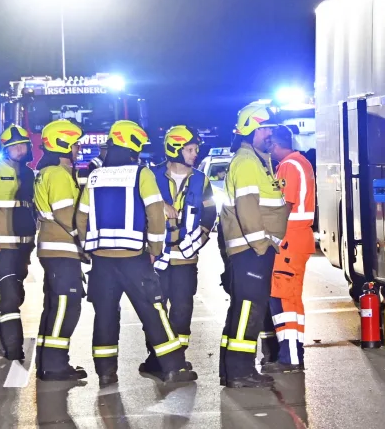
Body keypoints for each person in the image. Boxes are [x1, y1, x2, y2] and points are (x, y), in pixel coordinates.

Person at [76, 120, 197, 387]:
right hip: (134, 259)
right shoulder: (141, 174)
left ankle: (106, 373)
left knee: (105, 316)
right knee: (154, 312)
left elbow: (81, 218)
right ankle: (173, 368)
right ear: (133, 146)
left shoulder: (95, 177)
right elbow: (155, 213)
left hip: (102, 263)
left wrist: (89, 248)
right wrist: (155, 249)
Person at [218, 101, 290, 388]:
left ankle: (233, 370)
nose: (270, 133)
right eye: (265, 129)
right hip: (251, 251)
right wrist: (261, 244)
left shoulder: (256, 160)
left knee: (241, 309)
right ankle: (240, 372)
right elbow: (248, 206)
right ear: (251, 131)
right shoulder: (247, 162)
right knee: (249, 310)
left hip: (251, 250)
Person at [144, 125, 216, 372]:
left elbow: (209, 214)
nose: (195, 154)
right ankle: (155, 358)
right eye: (190, 149)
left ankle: (178, 358)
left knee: (183, 308)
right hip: (157, 258)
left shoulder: (201, 179)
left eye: (196, 149)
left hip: (187, 258)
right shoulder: (150, 176)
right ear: (175, 149)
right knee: (156, 309)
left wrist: (197, 243)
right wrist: (161, 205)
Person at [33, 119, 87, 381]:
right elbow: (67, 215)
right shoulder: (57, 174)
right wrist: (86, 243)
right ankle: (54, 366)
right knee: (67, 308)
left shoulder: (50, 172)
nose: (78, 148)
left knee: (54, 307)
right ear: (63, 144)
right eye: (75, 143)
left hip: (54, 250)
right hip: (61, 250)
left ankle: (48, 363)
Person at [263, 125, 316, 373]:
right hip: (298, 237)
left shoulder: (289, 165)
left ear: (275, 144)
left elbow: (284, 204)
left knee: (283, 298)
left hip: (290, 238)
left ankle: (290, 356)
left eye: (269, 144)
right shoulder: (300, 162)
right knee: (290, 297)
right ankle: (292, 353)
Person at [0, 125, 36, 361]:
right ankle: (14, 351)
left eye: (23, 145)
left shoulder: (28, 173)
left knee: (14, 294)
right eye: (14, 146)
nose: (20, 149)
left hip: (22, 246)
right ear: (5, 149)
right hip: (1, 245)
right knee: (10, 295)